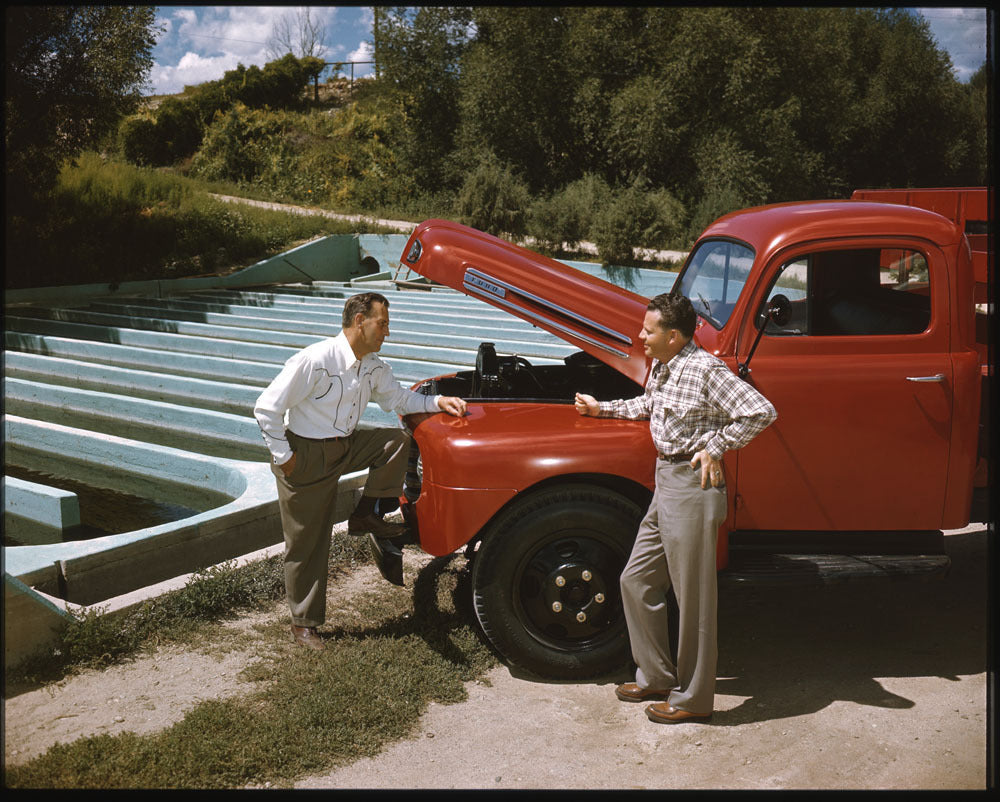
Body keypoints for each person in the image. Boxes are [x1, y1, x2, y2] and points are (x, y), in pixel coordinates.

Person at [574, 292, 776, 723]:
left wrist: (716, 447)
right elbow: (650, 406)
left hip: (692, 486)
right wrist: (601, 409)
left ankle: (694, 699)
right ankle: (657, 675)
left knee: (694, 601)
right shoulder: (664, 365)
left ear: (675, 336)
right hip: (666, 483)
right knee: (636, 580)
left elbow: (761, 410)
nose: (640, 335)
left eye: (649, 330)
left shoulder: (705, 369)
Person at [254, 291, 467, 650]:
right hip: (306, 456)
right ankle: (303, 625)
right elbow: (266, 409)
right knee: (308, 543)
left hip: (345, 446)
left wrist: (436, 402)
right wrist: (284, 457)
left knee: (395, 442)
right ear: (359, 322)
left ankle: (367, 513)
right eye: (382, 323)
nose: (387, 332)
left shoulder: (371, 364)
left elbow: (399, 399)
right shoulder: (315, 360)